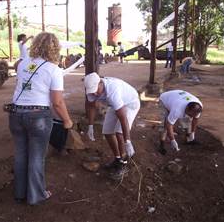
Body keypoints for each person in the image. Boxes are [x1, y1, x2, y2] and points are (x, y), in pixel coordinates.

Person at [9, 32, 73, 205]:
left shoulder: (22, 64)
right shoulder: (54, 70)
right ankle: (36, 195)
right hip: (37, 116)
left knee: (21, 155)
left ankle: (20, 194)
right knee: (37, 156)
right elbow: (57, 102)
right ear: (55, 48)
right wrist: (67, 120)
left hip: (15, 114)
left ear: (35, 44)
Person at [84, 72, 140, 174]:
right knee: (107, 132)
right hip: (115, 105)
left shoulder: (112, 90)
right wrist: (90, 125)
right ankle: (118, 159)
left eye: (96, 90)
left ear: (100, 83)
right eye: (92, 92)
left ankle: (124, 162)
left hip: (130, 103)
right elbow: (91, 106)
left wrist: (128, 141)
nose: (95, 94)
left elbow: (123, 118)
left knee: (119, 134)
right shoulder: (91, 91)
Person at [158, 90, 203, 155]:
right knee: (164, 124)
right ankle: (161, 145)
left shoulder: (198, 107)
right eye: (191, 114)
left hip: (178, 97)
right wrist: (172, 140)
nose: (192, 116)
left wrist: (192, 133)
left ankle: (189, 139)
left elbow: (195, 120)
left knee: (188, 120)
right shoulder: (177, 110)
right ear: (187, 109)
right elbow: (169, 124)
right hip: (165, 99)